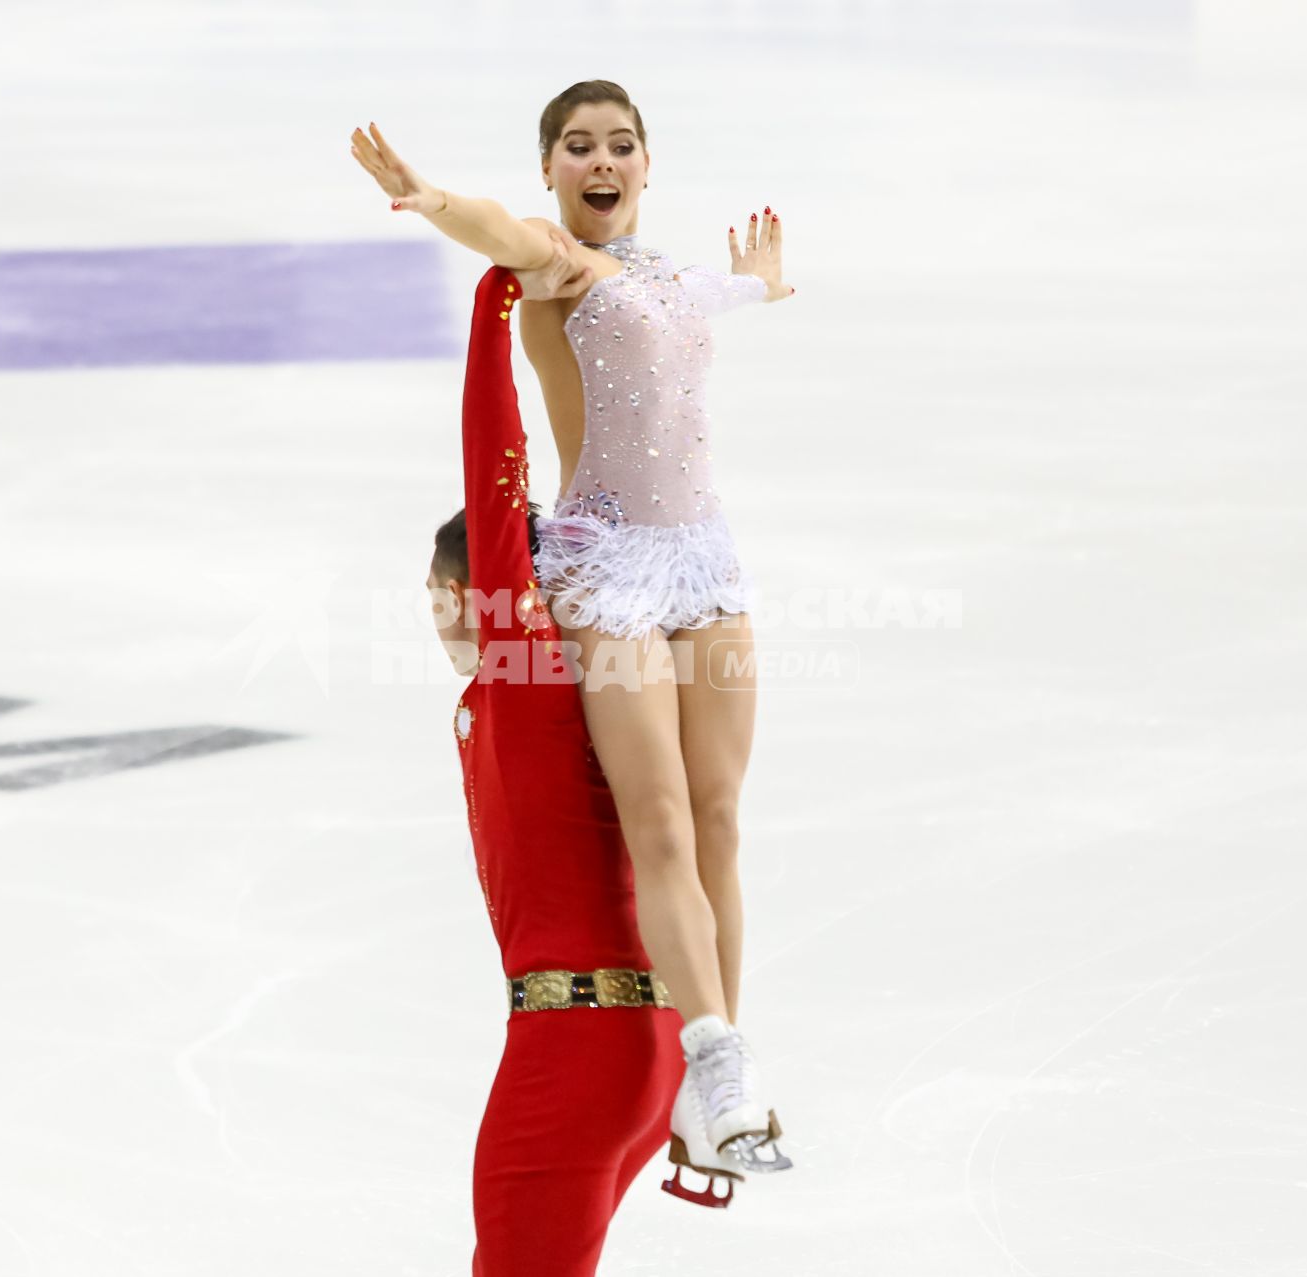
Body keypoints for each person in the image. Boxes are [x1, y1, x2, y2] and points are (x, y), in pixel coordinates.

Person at [354, 78, 795, 1181]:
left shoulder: (666, 274)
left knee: (719, 814)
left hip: (707, 557)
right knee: (653, 815)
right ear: (551, 167)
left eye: (622, 145)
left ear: (648, 165)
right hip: (611, 572)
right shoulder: (557, 261)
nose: (603, 160)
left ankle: (704, 1091)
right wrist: (431, 197)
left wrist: (757, 287)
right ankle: (716, 1050)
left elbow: (712, 300)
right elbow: (494, 235)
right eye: (579, 146)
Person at [430, 253, 764, 1275]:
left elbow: (499, 459)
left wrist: (497, 301)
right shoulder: (601, 675)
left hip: (572, 1046)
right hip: (650, 1038)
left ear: (462, 589)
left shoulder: (525, 656)